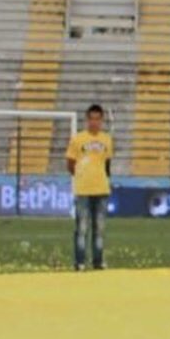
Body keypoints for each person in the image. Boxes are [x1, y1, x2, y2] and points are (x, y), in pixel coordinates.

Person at [65, 104, 114, 271]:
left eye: (97, 119)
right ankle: (79, 262)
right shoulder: (77, 139)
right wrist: (81, 176)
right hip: (83, 190)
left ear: (102, 120)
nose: (94, 122)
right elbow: (70, 163)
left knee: (99, 228)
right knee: (82, 228)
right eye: (91, 119)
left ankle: (98, 261)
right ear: (87, 120)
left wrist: (103, 179)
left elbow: (107, 163)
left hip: (101, 189)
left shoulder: (107, 139)